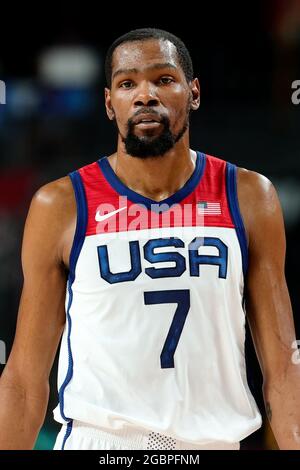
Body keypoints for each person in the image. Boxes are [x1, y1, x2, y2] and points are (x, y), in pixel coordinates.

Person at [0, 28, 299, 451]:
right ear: (109, 103)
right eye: (127, 84)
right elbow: (25, 379)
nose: (144, 95)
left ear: (193, 92)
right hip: (99, 443)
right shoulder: (61, 204)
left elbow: (285, 369)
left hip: (211, 443)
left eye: (162, 79)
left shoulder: (249, 196)